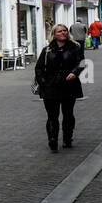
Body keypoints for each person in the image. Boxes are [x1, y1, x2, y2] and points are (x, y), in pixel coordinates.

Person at [35, 23, 86, 151]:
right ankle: (52, 139)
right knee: (52, 115)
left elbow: (81, 63)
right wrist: (43, 83)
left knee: (68, 113)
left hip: (69, 85)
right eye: (59, 31)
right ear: (54, 34)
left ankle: (67, 138)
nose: (63, 33)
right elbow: (39, 68)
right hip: (51, 86)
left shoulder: (75, 47)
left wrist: (74, 73)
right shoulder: (47, 50)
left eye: (64, 31)